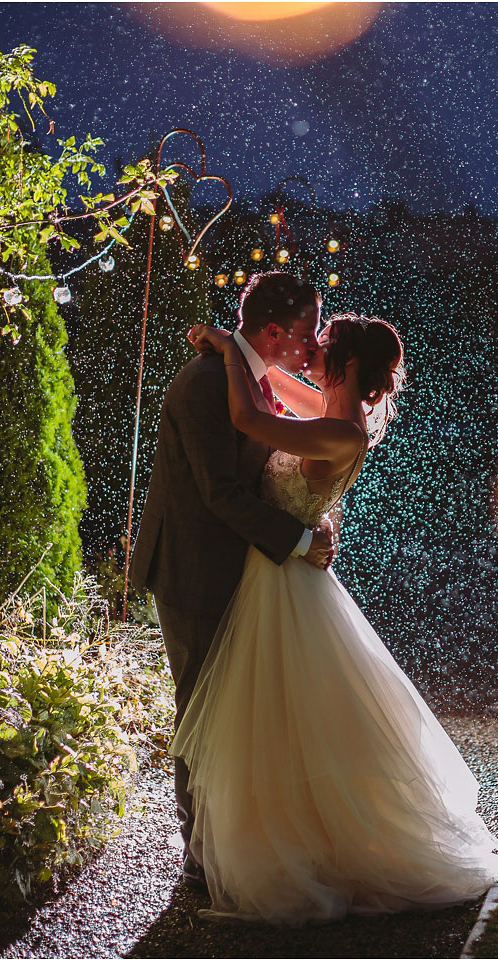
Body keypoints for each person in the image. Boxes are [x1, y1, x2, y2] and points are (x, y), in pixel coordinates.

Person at [171, 312, 498, 926]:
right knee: (283, 717)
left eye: (324, 346)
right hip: (279, 567)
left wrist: (224, 346)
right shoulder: (331, 408)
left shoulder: (344, 431)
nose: (313, 351)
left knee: (276, 718)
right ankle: (278, 834)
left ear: (351, 364)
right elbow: (271, 378)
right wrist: (247, 350)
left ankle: (291, 846)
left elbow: (251, 417)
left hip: (281, 580)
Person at [127, 272, 336, 889]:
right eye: (306, 332)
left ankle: (231, 838)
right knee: (199, 708)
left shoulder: (246, 376)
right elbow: (218, 492)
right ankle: (200, 857)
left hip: (239, 563)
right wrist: (298, 541)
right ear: (273, 332)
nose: (313, 343)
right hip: (196, 567)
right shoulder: (206, 383)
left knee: (234, 709)